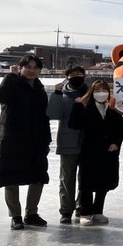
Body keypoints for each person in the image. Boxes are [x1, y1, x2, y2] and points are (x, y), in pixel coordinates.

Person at [0, 55, 52, 230]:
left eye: (35, 67)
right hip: (13, 139)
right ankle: (15, 216)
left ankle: (31, 213)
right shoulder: (12, 85)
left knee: (38, 176)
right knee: (10, 177)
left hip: (36, 140)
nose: (31, 70)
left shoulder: (40, 90)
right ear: (20, 68)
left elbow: (43, 118)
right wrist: (10, 76)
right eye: (27, 66)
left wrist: (46, 140)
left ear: (40, 70)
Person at [68, 80, 123, 226]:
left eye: (104, 90)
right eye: (98, 90)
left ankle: (98, 211)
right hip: (89, 152)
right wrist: (77, 105)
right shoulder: (86, 109)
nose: (101, 93)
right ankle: (85, 212)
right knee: (86, 183)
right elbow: (73, 124)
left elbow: (120, 130)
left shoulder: (113, 111)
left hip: (108, 153)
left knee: (104, 182)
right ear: (92, 92)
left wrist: (116, 142)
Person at [47, 65, 88, 223]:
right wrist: (56, 94)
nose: (76, 76)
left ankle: (81, 206)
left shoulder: (90, 93)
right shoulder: (61, 94)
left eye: (79, 73)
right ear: (67, 76)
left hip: (87, 142)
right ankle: (66, 210)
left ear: (84, 76)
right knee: (67, 178)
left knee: (85, 178)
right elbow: (52, 114)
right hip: (68, 142)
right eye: (72, 74)